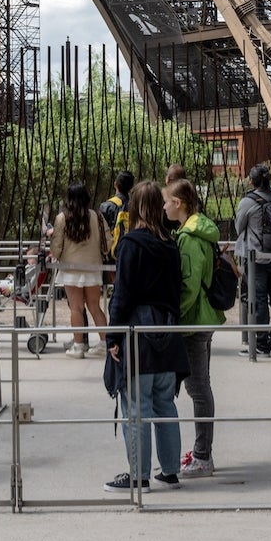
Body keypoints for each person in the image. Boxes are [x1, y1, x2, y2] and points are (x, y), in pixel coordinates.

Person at [104, 179, 188, 494]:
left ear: (135, 208)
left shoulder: (130, 245)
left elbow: (122, 295)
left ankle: (138, 475)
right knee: (165, 404)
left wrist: (112, 337)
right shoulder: (170, 244)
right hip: (168, 332)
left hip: (138, 333)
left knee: (136, 407)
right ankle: (169, 471)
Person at [166, 178, 224, 479]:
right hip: (205, 317)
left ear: (179, 203)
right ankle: (203, 452)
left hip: (193, 320)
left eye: (167, 201)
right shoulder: (202, 230)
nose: (164, 206)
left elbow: (187, 286)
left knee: (198, 388)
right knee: (202, 385)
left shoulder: (188, 238)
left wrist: (173, 316)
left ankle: (203, 455)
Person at [234, 163, 271, 357]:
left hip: (256, 258)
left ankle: (261, 344)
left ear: (251, 181)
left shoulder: (248, 202)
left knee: (258, 300)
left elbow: (238, 227)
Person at [48, 181, 109, 357]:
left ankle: (79, 346)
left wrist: (52, 244)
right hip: (93, 267)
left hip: (70, 269)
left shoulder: (62, 218)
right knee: (95, 307)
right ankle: (104, 344)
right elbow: (107, 244)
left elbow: (56, 248)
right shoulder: (97, 216)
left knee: (76, 308)